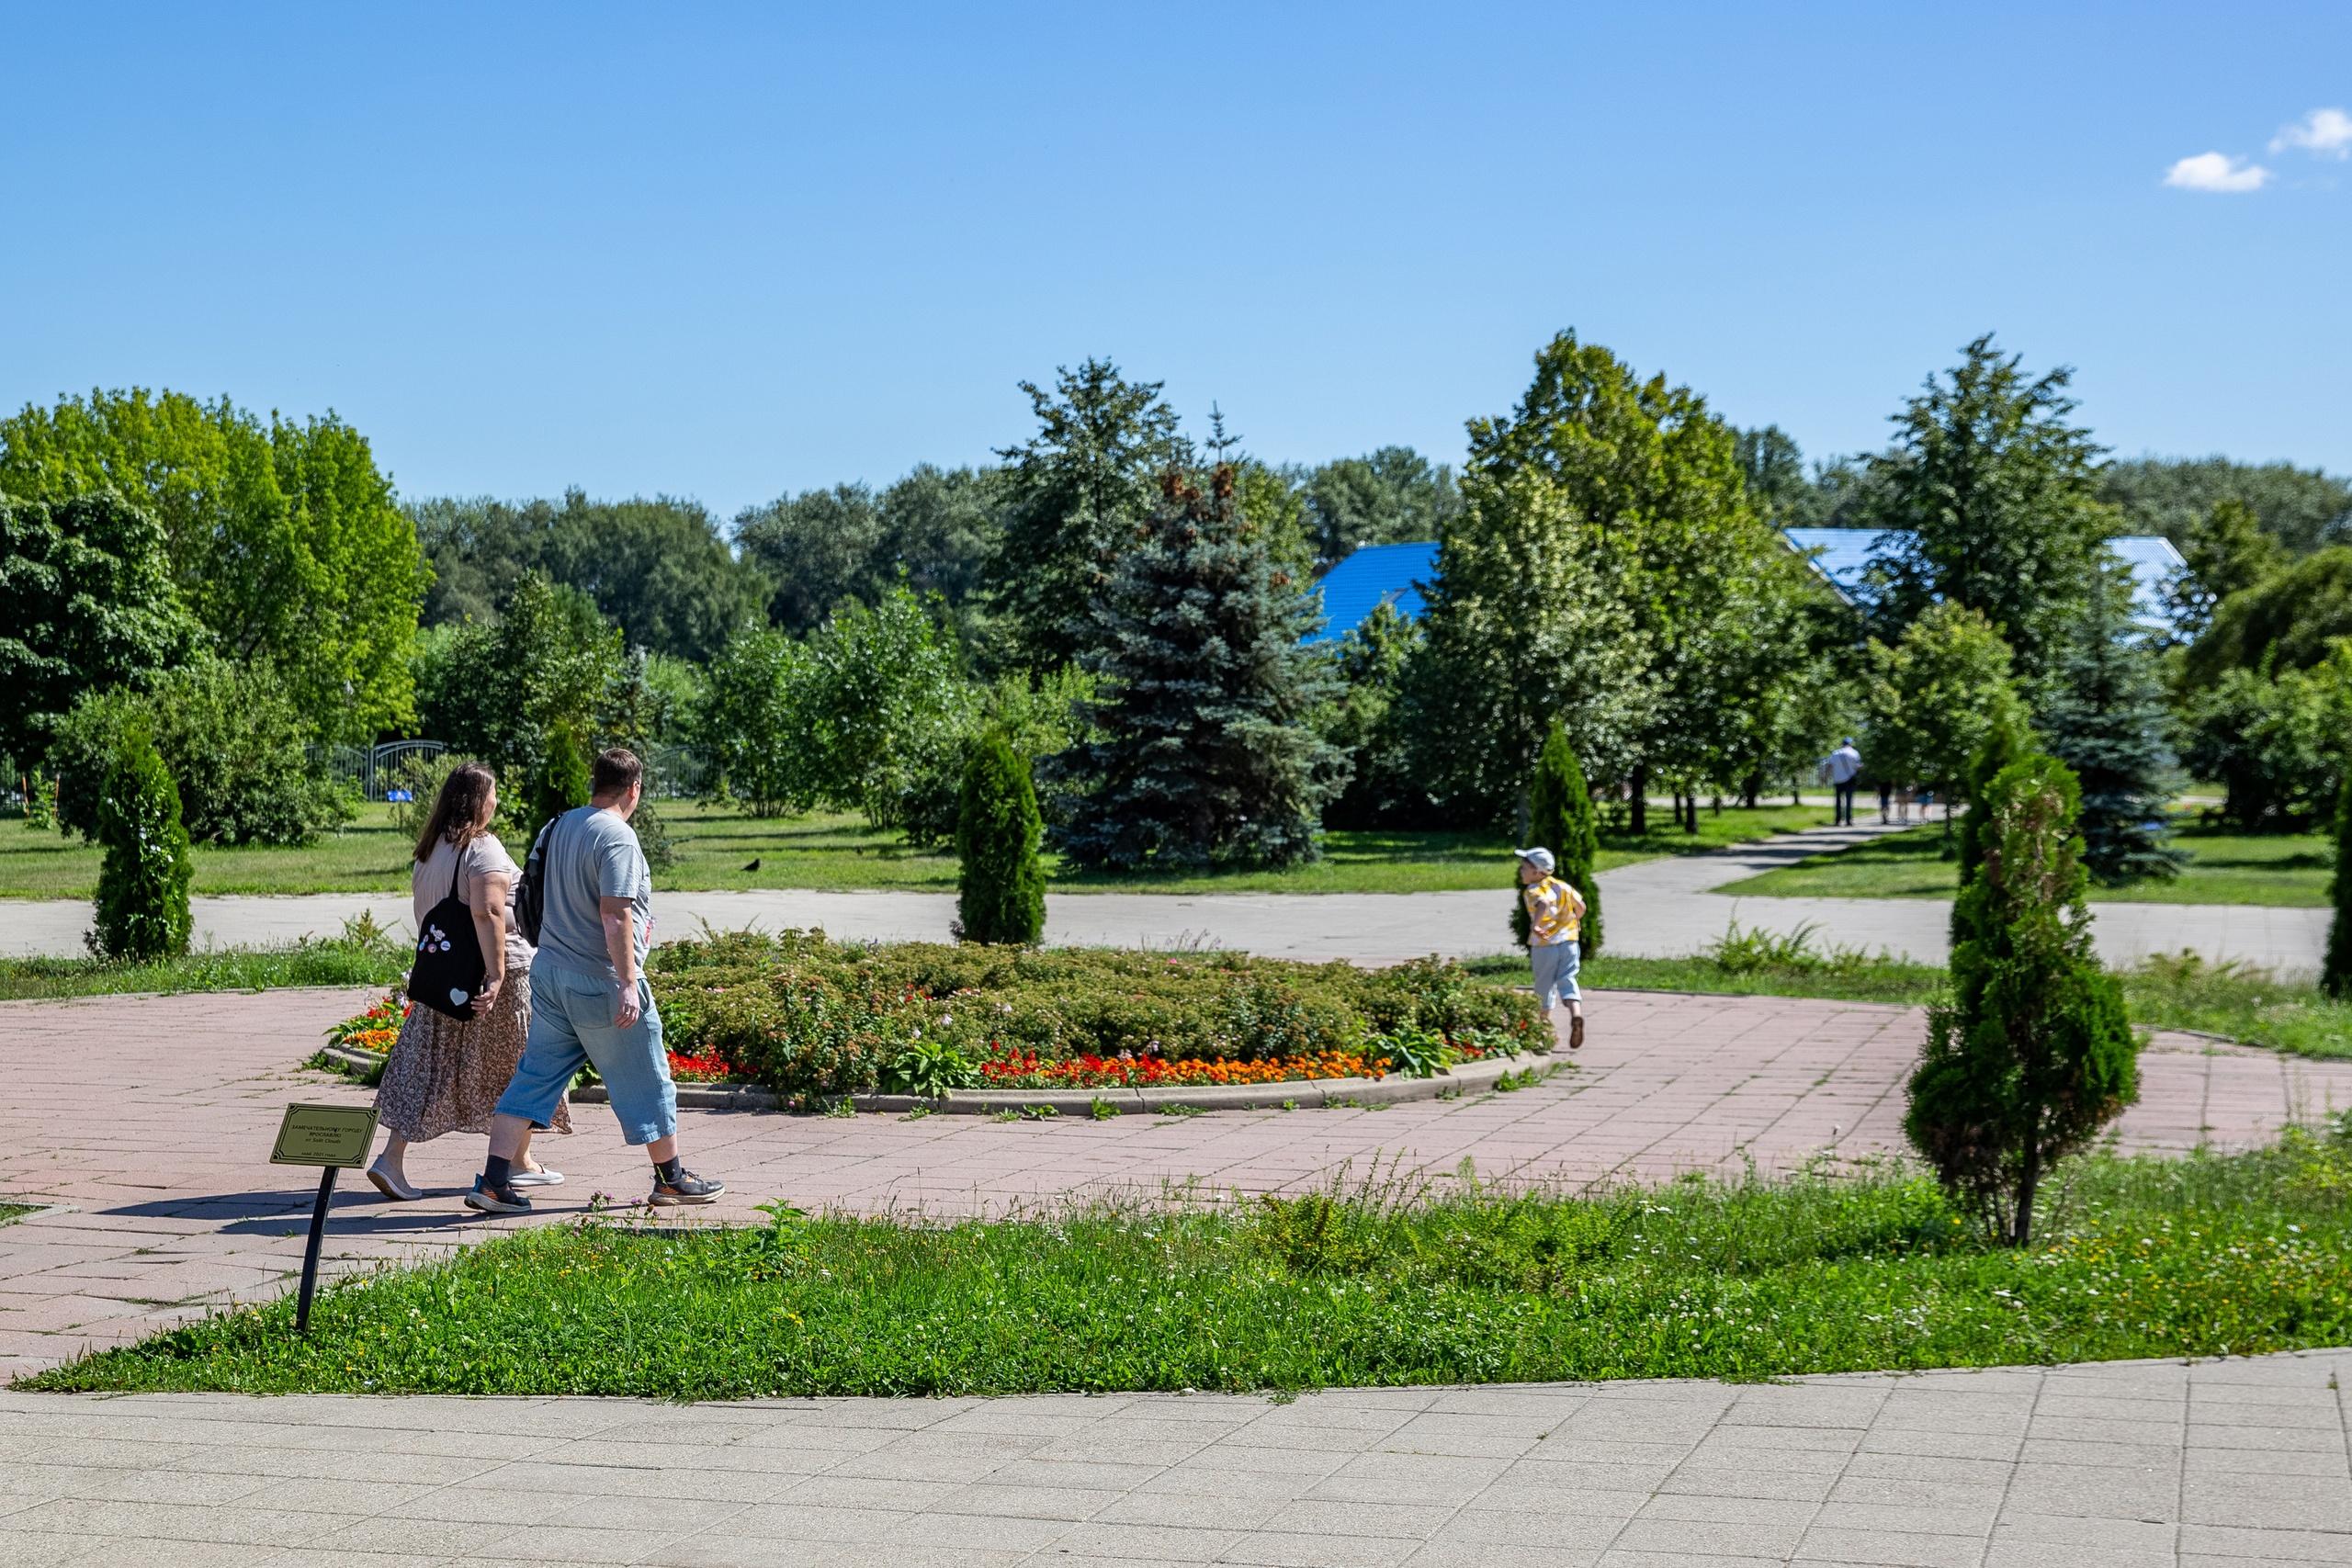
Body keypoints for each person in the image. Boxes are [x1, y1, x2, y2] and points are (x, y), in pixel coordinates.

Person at [469, 748, 724, 1214]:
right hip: (600, 981)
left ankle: (492, 1182)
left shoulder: (562, 824)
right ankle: (671, 1180)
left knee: (533, 1077)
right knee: (649, 1078)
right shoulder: (618, 837)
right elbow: (615, 914)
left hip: (551, 974)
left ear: (595, 783)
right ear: (635, 789)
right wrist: (628, 982)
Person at [368, 763, 568, 1201]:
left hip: (443, 975)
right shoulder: (483, 849)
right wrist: (496, 976)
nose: (496, 801)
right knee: (523, 1063)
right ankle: (507, 1163)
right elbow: (489, 912)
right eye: (493, 793)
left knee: (429, 1066)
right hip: (495, 974)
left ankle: (514, 1160)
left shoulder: (431, 848)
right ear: (479, 800)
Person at [1515, 847, 1587, 1051]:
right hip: (1570, 943)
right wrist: (1575, 920)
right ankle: (1576, 1014)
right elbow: (1581, 906)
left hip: (1545, 946)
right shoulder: (1562, 886)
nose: (1521, 870)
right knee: (1568, 979)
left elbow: (1543, 903)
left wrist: (1536, 925)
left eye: (1525, 867)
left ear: (1538, 872)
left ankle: (1543, 1031)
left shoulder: (1533, 890)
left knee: (1544, 985)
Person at [1825, 738, 1863, 827]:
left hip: (1838, 779)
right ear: (1850, 744)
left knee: (1838, 800)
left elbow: (1829, 766)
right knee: (1849, 800)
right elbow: (1858, 766)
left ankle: (1837, 820)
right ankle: (1848, 820)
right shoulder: (1854, 753)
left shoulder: (1835, 753)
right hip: (1850, 779)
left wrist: (1826, 777)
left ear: (1842, 744)